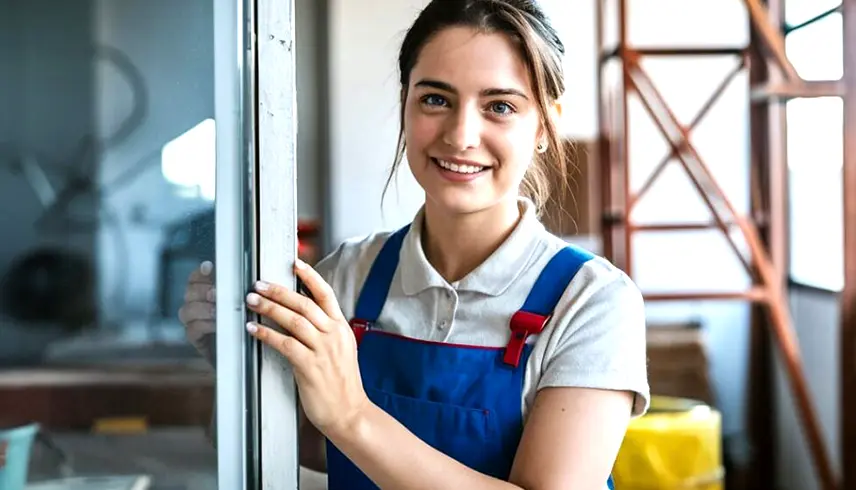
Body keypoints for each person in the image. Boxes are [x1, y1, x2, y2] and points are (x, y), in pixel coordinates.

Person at [179, 0, 649, 488]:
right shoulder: (347, 276)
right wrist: (239, 364)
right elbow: (294, 448)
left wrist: (352, 416)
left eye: (501, 107)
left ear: (545, 127)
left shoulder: (592, 301)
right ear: (405, 104)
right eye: (436, 99)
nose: (462, 136)